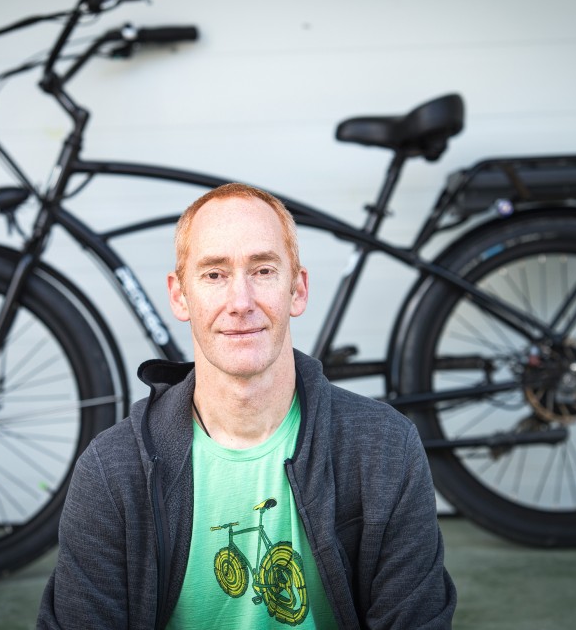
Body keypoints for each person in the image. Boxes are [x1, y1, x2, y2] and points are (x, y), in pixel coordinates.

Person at [37, 183, 456, 629]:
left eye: (263, 271)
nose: (241, 303)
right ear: (180, 296)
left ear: (297, 289)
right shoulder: (112, 473)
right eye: (214, 274)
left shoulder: (386, 451)